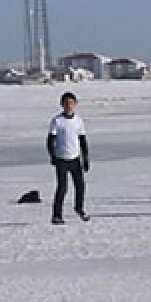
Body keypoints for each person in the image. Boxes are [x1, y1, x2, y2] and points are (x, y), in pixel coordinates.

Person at [46, 91, 90, 225]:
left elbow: (82, 140)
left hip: (75, 158)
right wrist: (52, 155)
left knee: (80, 186)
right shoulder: (57, 121)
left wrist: (85, 158)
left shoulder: (78, 120)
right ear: (62, 104)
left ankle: (79, 208)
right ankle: (56, 215)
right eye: (66, 103)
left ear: (75, 104)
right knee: (62, 188)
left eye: (71, 103)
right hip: (61, 159)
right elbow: (50, 140)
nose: (69, 106)